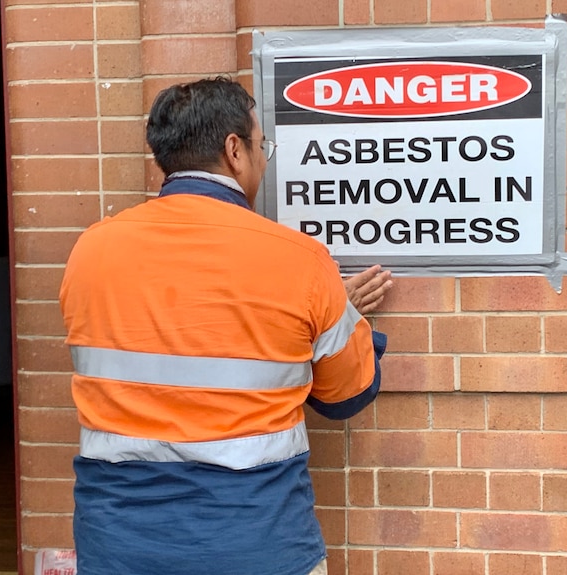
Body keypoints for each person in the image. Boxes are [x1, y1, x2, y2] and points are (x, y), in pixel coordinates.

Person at [59, 76, 392, 575]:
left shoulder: (90, 250)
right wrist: (338, 312)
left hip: (118, 544)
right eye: (263, 146)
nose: (263, 158)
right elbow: (347, 396)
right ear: (234, 150)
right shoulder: (300, 261)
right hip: (255, 542)